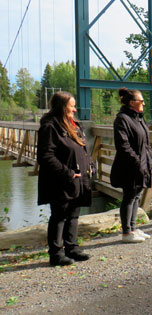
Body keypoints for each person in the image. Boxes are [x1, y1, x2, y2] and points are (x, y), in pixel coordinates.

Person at [37, 91, 92, 266]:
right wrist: (67, 172)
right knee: (59, 216)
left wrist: (90, 164)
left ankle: (72, 248)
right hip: (60, 181)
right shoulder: (50, 127)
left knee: (74, 215)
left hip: (77, 179)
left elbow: (82, 149)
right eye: (72, 106)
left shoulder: (74, 125)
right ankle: (56, 253)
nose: (75, 109)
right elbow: (46, 156)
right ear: (62, 107)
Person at [111, 87, 152, 243]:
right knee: (129, 197)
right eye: (140, 100)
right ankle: (126, 232)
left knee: (136, 196)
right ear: (131, 103)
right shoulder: (122, 119)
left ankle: (133, 228)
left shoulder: (138, 118)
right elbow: (123, 145)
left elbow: (145, 143)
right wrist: (137, 162)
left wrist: (150, 159)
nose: (143, 103)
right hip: (130, 166)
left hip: (142, 164)